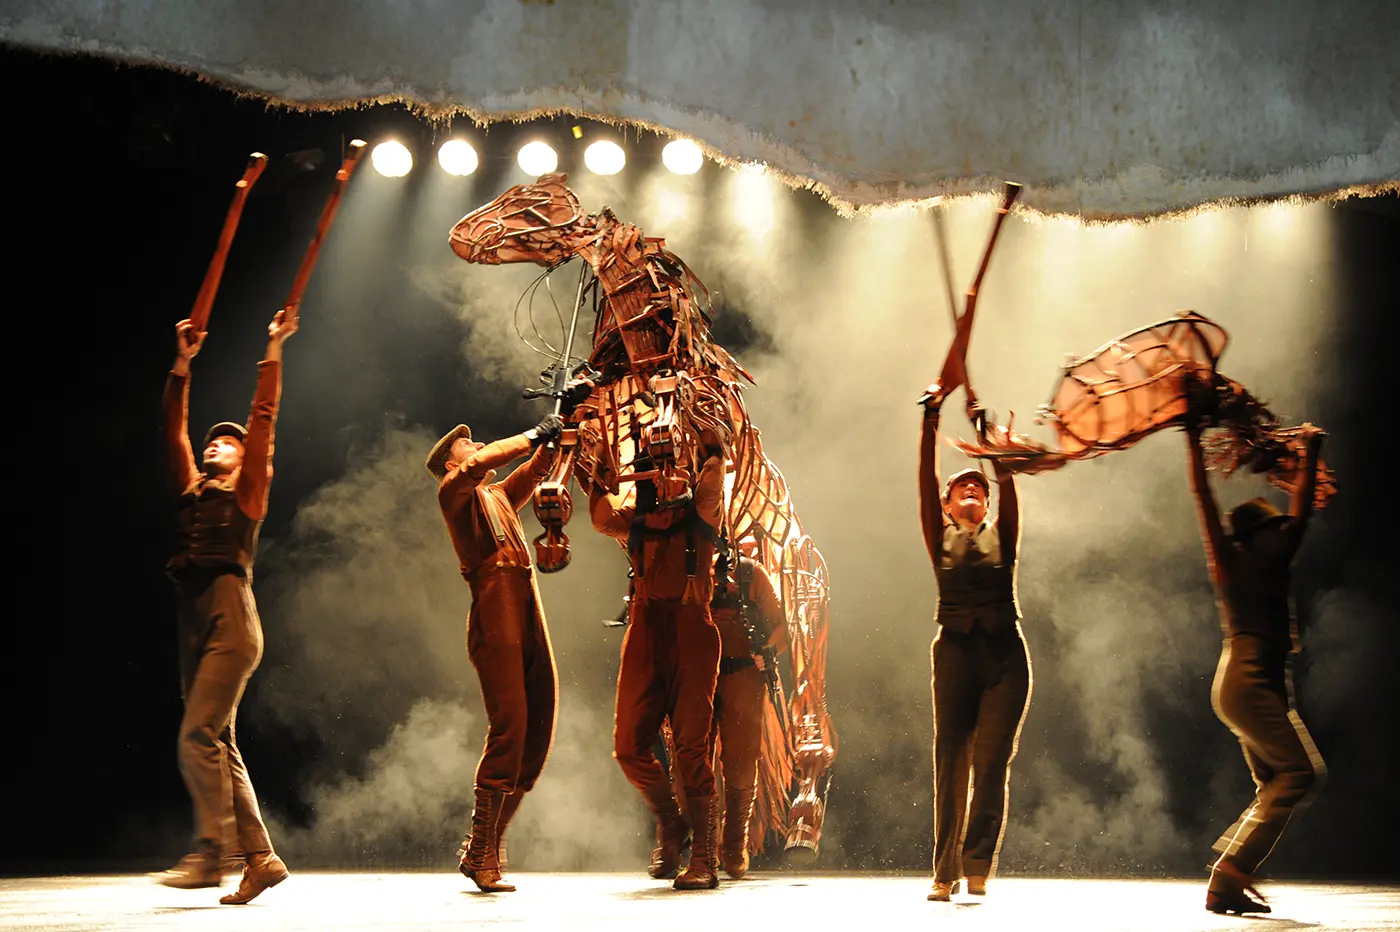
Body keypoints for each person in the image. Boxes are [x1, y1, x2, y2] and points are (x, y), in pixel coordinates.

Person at [157, 311, 295, 905]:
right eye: (213, 440)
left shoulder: (250, 491)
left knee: (197, 735)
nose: (217, 443)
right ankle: (260, 859)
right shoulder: (191, 490)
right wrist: (182, 363)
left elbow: (262, 422)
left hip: (231, 617)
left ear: (245, 460)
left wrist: (273, 349)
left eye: (227, 441)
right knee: (218, 740)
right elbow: (172, 431)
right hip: (193, 614)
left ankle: (211, 850)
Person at [1184, 416, 1327, 915]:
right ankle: (1229, 869)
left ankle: (1227, 885)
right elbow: (1204, 500)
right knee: (1300, 774)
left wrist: (1310, 453)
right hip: (1245, 679)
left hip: (1259, 680)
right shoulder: (1234, 561)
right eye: (1270, 528)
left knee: (1276, 783)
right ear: (1250, 538)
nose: (1281, 532)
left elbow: (1300, 515)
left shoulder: (1270, 559)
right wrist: (1190, 437)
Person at [427, 411, 567, 893]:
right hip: (494, 602)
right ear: (451, 462)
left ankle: (486, 844)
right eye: (467, 444)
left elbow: (529, 473)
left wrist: (553, 430)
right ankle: (481, 847)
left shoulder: (495, 495)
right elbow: (486, 462)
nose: (476, 445)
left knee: (540, 719)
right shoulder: (453, 492)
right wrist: (531, 435)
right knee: (510, 722)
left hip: (525, 598)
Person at [590, 439, 727, 890]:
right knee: (628, 746)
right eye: (657, 467)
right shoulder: (635, 519)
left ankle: (704, 858)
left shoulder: (702, 512)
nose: (666, 475)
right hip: (646, 631)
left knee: (691, 748)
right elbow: (600, 515)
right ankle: (671, 822)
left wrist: (705, 442)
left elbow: (712, 477)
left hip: (691, 630)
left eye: (673, 467)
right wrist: (600, 466)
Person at [918, 384, 1031, 902]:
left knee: (990, 761)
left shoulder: (1001, 536)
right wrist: (931, 420)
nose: (971, 490)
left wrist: (992, 447)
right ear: (945, 504)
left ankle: (978, 863)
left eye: (978, 488)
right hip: (956, 655)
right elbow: (924, 481)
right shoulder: (937, 534)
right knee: (951, 759)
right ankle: (944, 870)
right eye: (961, 486)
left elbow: (1008, 489)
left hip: (1005, 656)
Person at [708, 549, 785, 879]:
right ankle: (703, 844)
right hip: (697, 675)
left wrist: (767, 651)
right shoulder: (684, 567)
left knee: (741, 760)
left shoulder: (752, 574)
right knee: (690, 758)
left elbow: (781, 626)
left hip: (743, 675)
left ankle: (734, 841)